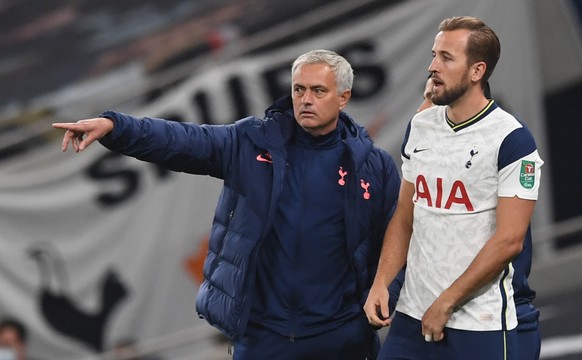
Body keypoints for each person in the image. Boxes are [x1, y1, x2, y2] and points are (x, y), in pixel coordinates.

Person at [52, 50, 401, 360]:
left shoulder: (375, 167)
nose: (305, 100)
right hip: (264, 338)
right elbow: (181, 140)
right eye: (299, 89)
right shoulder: (251, 142)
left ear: (344, 98)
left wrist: (381, 303)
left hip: (340, 337)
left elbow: (399, 240)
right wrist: (116, 127)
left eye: (318, 91)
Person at [364, 16, 544, 360]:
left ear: (477, 71)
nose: (432, 66)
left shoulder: (512, 140)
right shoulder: (421, 125)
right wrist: (382, 282)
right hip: (411, 317)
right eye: (434, 55)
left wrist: (446, 302)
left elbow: (510, 240)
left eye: (446, 58)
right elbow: (405, 216)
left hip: (481, 323)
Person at [418, 75, 542, 359]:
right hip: (446, 318)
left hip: (500, 318)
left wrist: (445, 302)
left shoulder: (505, 146)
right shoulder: (433, 160)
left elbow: (510, 242)